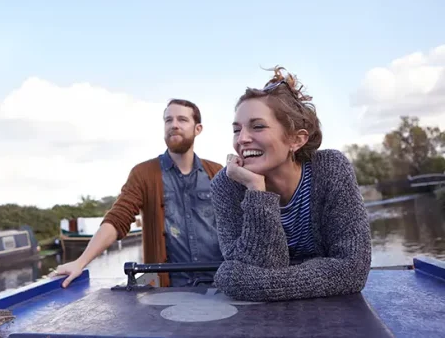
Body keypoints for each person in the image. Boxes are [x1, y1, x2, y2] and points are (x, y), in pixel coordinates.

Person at [211, 67, 371, 302]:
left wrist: (241, 280)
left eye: (257, 126)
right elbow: (262, 265)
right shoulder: (228, 186)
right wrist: (256, 190)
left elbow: (353, 270)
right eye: (237, 129)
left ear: (296, 139)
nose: (242, 139)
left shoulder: (330, 169)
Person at [54, 98, 224, 288]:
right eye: (168, 120)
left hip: (219, 284)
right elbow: (118, 218)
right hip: (168, 291)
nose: (174, 125)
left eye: (182, 120)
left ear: (198, 129)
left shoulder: (217, 172)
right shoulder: (144, 174)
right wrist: (80, 262)